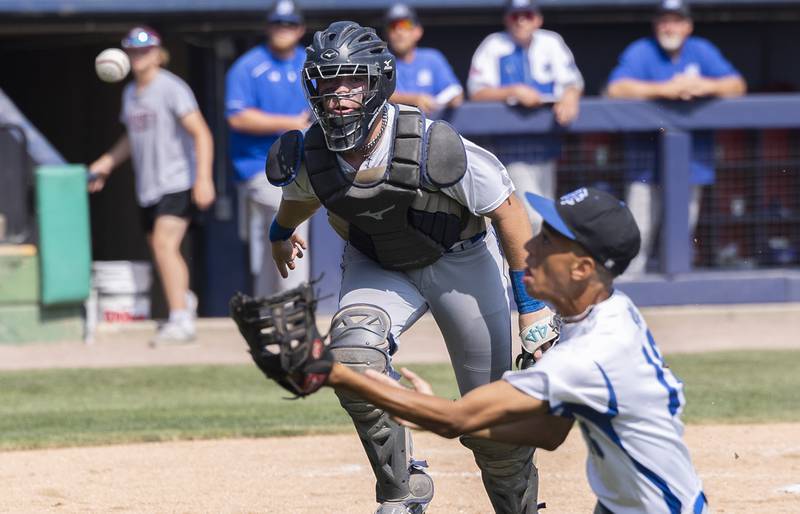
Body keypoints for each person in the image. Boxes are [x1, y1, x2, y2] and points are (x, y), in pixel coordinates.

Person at [267, 20, 560, 514]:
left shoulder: (430, 144)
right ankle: (403, 491)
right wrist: (279, 233)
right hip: (377, 263)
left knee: (492, 420)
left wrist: (531, 307)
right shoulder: (310, 152)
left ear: (378, 81)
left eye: (351, 81)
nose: (339, 95)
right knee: (352, 356)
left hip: (461, 261)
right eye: (327, 81)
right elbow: (299, 196)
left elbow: (507, 209)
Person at [323, 187, 710, 514]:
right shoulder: (606, 313)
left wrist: (332, 371)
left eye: (547, 242)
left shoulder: (591, 353)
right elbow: (552, 431)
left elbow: (455, 420)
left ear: (581, 269)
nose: (529, 248)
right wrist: (467, 423)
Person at [89, 26, 215, 344]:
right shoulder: (130, 93)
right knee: (161, 250)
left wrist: (203, 179)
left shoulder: (172, 88)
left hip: (177, 181)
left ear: (159, 54)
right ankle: (182, 301)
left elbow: (201, 133)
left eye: (145, 50)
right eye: (132, 50)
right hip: (148, 187)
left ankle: (181, 319)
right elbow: (131, 138)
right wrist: (106, 162)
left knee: (164, 245)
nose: (138, 56)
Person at [606, 0, 746, 275]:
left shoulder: (701, 50)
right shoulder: (642, 50)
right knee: (639, 232)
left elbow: (736, 85)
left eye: (676, 20)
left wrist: (703, 85)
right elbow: (615, 89)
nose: (669, 26)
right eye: (664, 20)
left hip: (690, 164)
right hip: (646, 162)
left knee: (681, 232)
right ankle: (631, 293)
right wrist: (665, 89)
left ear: (687, 25)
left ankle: (677, 292)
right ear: (656, 25)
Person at [468, 0, 583, 231]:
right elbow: (476, 91)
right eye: (515, 16)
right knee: (533, 215)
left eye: (527, 15)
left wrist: (571, 96)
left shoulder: (551, 41)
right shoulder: (493, 44)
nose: (521, 20)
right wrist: (512, 91)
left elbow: (573, 82)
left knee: (545, 207)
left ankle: (537, 265)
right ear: (507, 19)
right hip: (509, 148)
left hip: (547, 143)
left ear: (537, 18)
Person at [225, 0, 311, 297]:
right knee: (289, 223)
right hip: (260, 166)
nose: (283, 30)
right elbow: (237, 116)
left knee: (271, 244)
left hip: (301, 165)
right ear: (268, 27)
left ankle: (267, 312)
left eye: (289, 24)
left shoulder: (308, 62)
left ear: (300, 29)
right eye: (277, 24)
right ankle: (298, 316)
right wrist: (290, 123)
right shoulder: (249, 66)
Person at [384, 3, 464, 114]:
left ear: (417, 31)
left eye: (405, 25)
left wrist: (448, 100)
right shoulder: (383, 60)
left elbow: (455, 92)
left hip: (430, 125)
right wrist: (414, 100)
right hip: (394, 126)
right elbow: (378, 95)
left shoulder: (432, 58)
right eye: (393, 26)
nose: (399, 32)